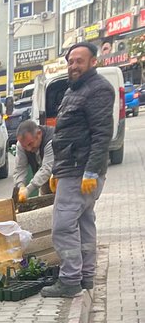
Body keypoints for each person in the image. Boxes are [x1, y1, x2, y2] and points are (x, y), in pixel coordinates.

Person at [41, 41, 115, 298]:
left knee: (62, 225)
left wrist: (92, 171)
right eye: (71, 61)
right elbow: (65, 134)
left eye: (79, 61)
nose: (73, 66)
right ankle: (85, 277)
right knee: (83, 223)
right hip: (69, 169)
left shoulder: (98, 90)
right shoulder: (74, 90)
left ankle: (70, 279)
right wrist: (55, 171)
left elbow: (102, 134)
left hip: (80, 171)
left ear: (93, 62)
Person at [13, 120, 54, 201]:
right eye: (25, 146)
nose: (28, 149)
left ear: (39, 134)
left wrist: (28, 190)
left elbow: (47, 169)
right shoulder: (21, 145)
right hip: (44, 180)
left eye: (30, 144)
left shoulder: (51, 140)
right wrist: (20, 186)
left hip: (62, 177)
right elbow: (20, 168)